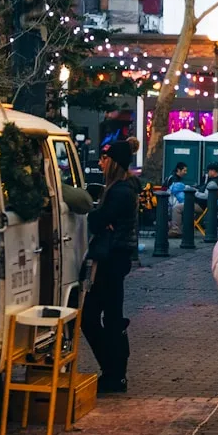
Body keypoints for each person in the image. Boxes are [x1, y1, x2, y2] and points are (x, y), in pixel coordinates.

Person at [83, 140, 137, 394]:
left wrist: (100, 220)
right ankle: (115, 372)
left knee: (93, 316)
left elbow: (97, 220)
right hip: (116, 258)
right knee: (110, 315)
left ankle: (114, 372)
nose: (101, 162)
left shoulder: (119, 192)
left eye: (105, 159)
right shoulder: (121, 189)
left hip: (111, 259)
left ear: (114, 162)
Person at [167, 162, 189, 238]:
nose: (186, 173)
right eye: (184, 170)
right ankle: (176, 229)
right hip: (172, 202)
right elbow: (178, 194)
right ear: (178, 170)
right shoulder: (174, 179)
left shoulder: (174, 178)